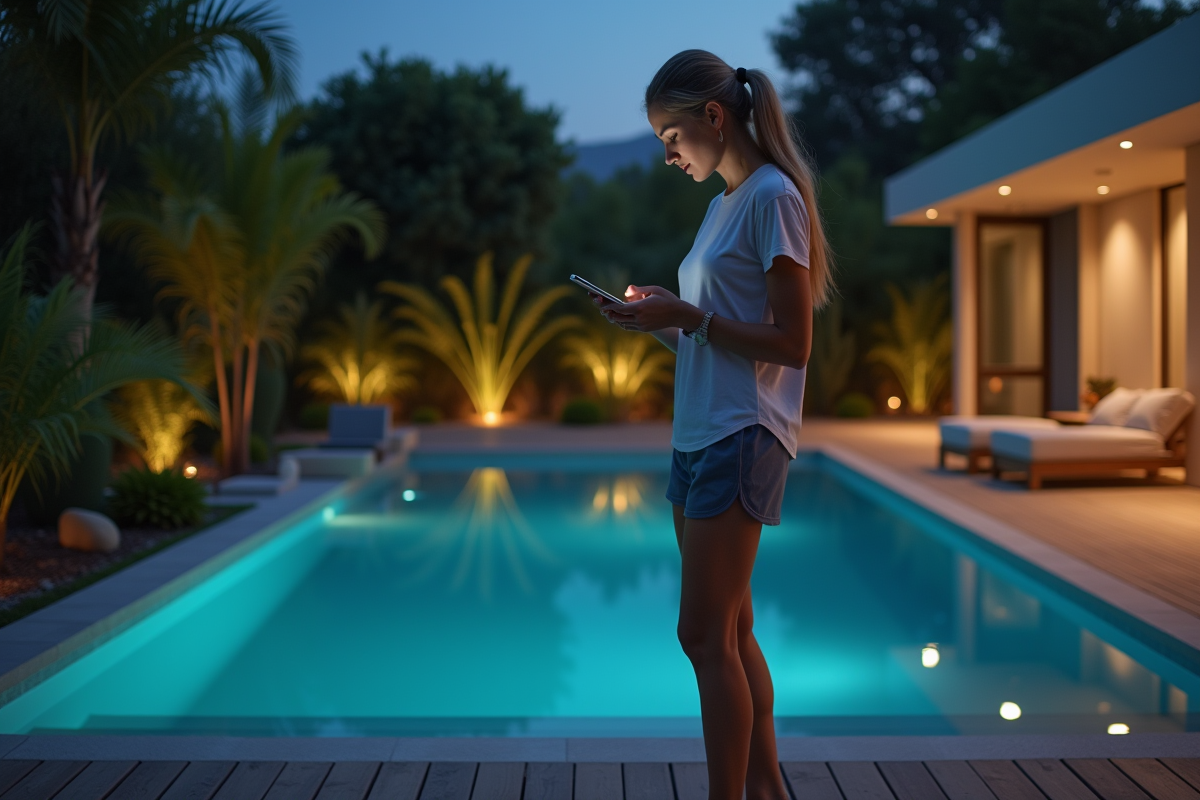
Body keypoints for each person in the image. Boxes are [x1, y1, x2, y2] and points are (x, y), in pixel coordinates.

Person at [586, 50, 833, 800]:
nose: (667, 154)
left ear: (714, 117)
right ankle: (767, 791)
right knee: (732, 632)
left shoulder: (771, 198)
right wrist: (658, 320)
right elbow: (711, 332)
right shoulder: (722, 205)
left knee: (702, 637)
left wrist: (689, 314)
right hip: (697, 436)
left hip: (742, 434)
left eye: (671, 136)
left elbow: (792, 344)